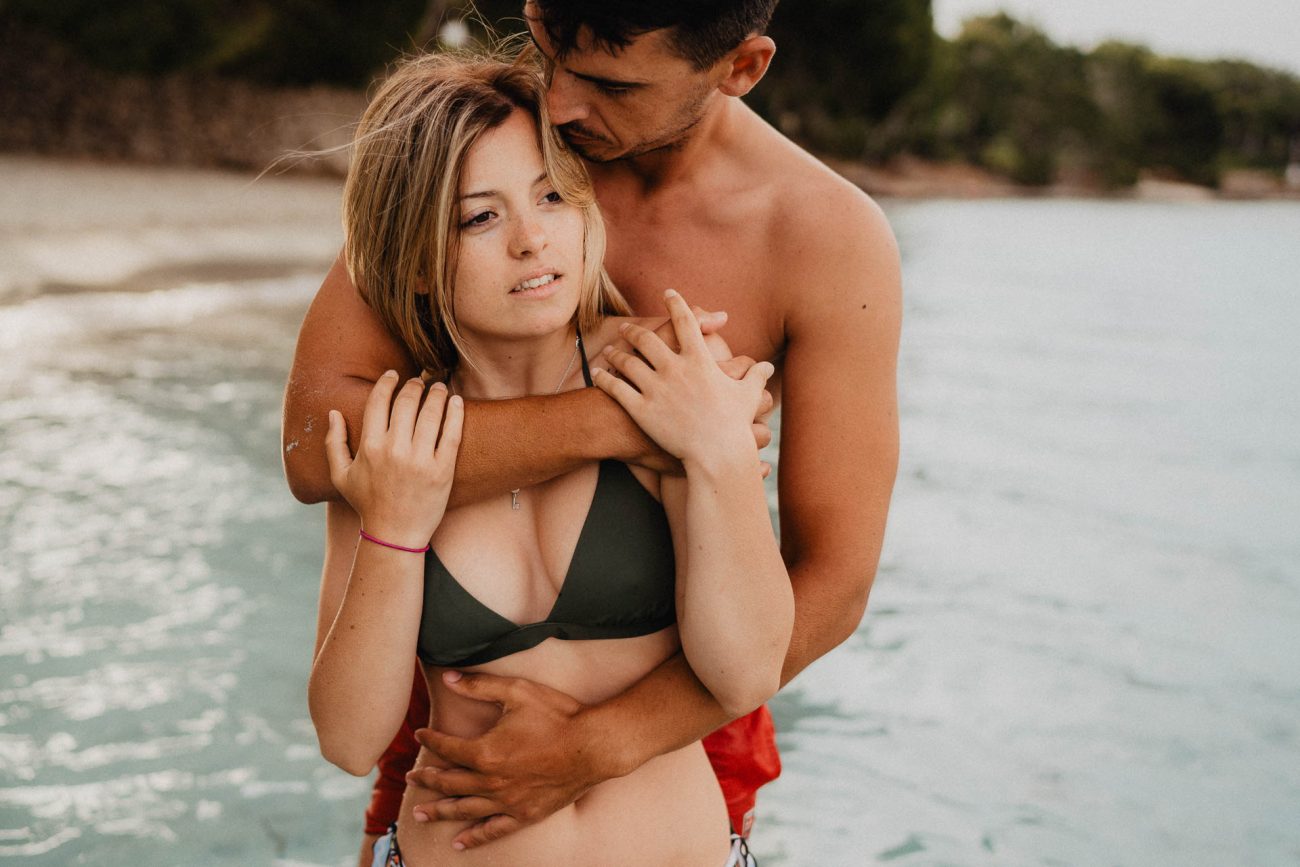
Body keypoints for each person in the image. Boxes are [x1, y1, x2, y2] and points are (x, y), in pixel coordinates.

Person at [283, 0, 901, 858]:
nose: (561, 104)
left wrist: (591, 747)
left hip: (681, 740)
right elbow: (321, 447)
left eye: (610, 82)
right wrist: (621, 420)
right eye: (547, 47)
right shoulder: (492, 139)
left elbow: (831, 582)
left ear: (740, 68)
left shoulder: (820, 235)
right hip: (455, 752)